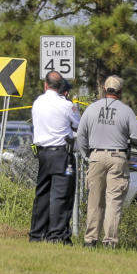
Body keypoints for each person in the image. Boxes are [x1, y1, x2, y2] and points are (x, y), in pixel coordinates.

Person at [77, 75, 137, 247]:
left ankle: (90, 239)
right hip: (117, 157)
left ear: (104, 89)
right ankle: (110, 241)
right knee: (114, 200)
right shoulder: (126, 111)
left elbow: (81, 135)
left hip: (95, 156)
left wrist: (86, 155)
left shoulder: (91, 109)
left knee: (94, 200)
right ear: (120, 91)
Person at [29, 71, 81, 244]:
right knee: (61, 195)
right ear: (61, 88)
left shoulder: (37, 103)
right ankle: (57, 236)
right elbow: (78, 125)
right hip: (61, 153)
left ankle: (37, 235)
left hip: (41, 153)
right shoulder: (67, 106)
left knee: (42, 194)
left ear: (46, 85)